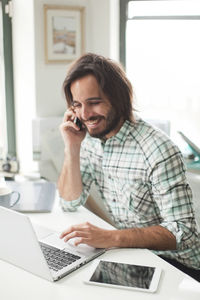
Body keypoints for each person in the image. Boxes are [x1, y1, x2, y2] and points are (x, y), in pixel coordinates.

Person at [58, 53, 200, 281]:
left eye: (94, 103)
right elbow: (69, 201)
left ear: (119, 99)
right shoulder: (90, 141)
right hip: (135, 256)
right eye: (77, 105)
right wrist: (72, 148)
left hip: (179, 267)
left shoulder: (157, 149)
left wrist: (110, 238)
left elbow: (183, 233)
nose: (85, 115)